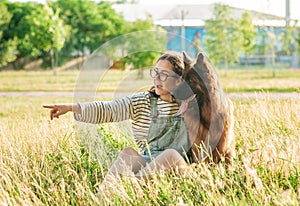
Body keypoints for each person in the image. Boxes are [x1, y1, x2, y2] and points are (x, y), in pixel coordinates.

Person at [43, 51, 190, 182]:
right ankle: (104, 197)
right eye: (155, 72)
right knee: (127, 153)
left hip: (177, 168)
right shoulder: (142, 102)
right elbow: (108, 109)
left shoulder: (191, 106)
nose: (157, 78)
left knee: (170, 154)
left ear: (178, 80)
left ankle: (130, 188)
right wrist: (71, 108)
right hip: (147, 165)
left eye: (164, 74)